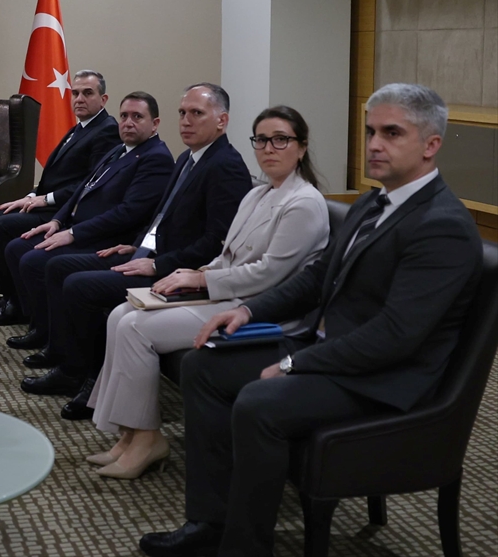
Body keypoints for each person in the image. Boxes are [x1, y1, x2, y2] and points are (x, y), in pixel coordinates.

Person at [140, 83, 484, 557]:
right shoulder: (373, 203)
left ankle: (244, 547)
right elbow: (317, 278)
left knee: (259, 402)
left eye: (391, 133)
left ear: (431, 145)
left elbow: (396, 336)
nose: (374, 144)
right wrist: (247, 309)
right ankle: (209, 521)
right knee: (203, 367)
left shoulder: (442, 226)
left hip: (383, 379)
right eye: (370, 132)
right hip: (331, 349)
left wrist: (294, 365)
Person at [85, 106, 329, 479]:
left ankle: (148, 439)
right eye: (262, 140)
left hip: (260, 309)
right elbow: (227, 254)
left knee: (135, 329)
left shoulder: (305, 203)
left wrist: (201, 281)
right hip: (227, 293)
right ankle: (129, 434)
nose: (269, 148)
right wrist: (195, 273)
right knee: (121, 314)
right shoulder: (258, 194)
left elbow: (270, 274)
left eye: (281, 139)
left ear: (302, 146)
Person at [21, 82, 253, 401]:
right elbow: (161, 218)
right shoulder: (189, 157)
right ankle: (69, 363)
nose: (186, 121)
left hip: (178, 272)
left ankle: (86, 378)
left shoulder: (226, 165)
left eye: (197, 113)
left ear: (221, 121)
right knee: (58, 267)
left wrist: (157, 263)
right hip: (147, 252)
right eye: (182, 113)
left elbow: (216, 243)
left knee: (79, 286)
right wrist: (136, 245)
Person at [3, 92, 173, 358]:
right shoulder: (120, 149)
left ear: (155, 124)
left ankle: (56, 343)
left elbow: (128, 213)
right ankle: (42, 327)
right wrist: (57, 220)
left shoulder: (156, 157)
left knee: (36, 261)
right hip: (80, 227)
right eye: (124, 116)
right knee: (17, 247)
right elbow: (83, 188)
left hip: (108, 238)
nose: (128, 122)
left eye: (137, 117)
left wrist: (72, 233)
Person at [0, 70, 121, 326]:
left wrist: (46, 199)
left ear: (103, 99)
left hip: (68, 211)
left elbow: (90, 184)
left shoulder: (106, 130)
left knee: (3, 224)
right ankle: (8, 296)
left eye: (88, 93)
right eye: (75, 93)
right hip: (50, 202)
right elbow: (52, 175)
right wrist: (32, 195)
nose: (79, 99)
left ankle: (15, 303)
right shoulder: (79, 128)